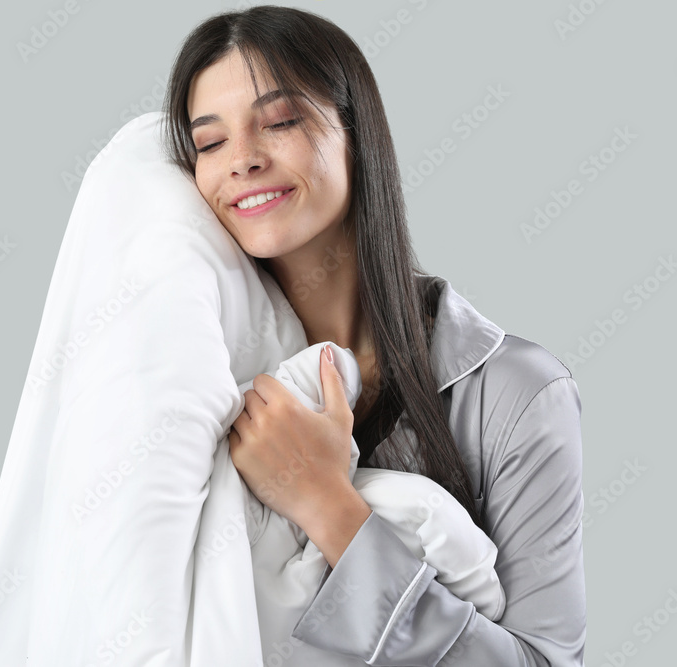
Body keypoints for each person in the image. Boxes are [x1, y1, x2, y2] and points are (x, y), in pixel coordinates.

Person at [161, 5, 586, 665]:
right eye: (210, 143)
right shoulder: (196, 386)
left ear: (358, 136)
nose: (241, 160)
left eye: (278, 122)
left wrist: (329, 506)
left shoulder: (518, 393)